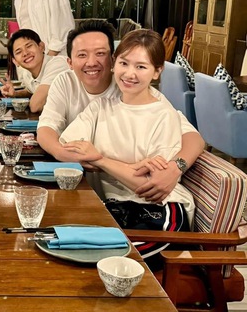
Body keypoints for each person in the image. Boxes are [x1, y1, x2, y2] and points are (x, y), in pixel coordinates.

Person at [59, 29, 194, 267]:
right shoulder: (101, 106)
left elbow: (150, 187)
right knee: (68, 248)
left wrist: (100, 159)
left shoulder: (164, 115)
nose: (130, 74)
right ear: (114, 64)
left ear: (157, 71)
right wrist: (132, 167)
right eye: (124, 63)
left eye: (141, 67)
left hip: (162, 213)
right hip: (117, 208)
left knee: (103, 262)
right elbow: (68, 147)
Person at [37, 19, 204, 203]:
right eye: (82, 55)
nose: (91, 62)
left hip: (150, 206)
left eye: (100, 53)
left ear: (111, 59)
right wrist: (62, 153)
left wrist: (176, 167)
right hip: (105, 197)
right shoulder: (93, 100)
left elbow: (193, 138)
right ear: (70, 62)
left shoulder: (147, 97)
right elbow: (48, 127)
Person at [0, 29, 69, 113]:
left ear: (41, 46)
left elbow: (35, 106)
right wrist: (15, 94)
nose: (25, 53)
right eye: (19, 52)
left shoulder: (57, 64)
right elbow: (32, 90)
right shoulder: (27, 73)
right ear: (15, 61)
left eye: (29, 46)